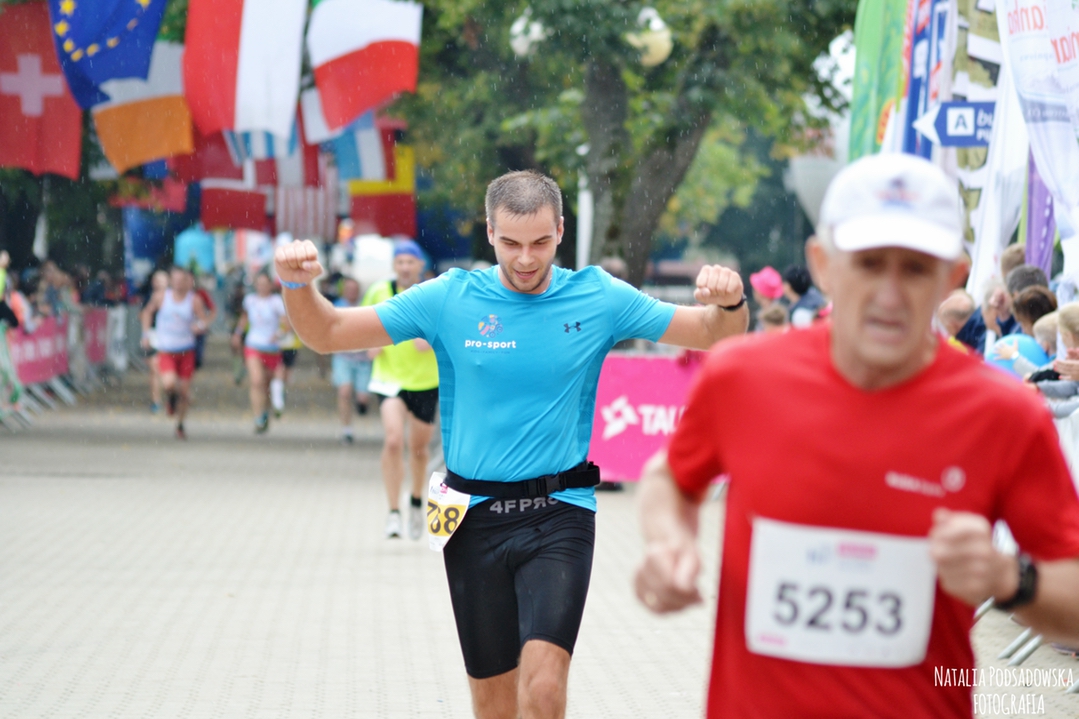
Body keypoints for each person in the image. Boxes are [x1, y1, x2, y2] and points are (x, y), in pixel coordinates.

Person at [275, 169, 749, 719]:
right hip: (471, 518)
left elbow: (714, 333)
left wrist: (730, 303)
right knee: (495, 707)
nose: (526, 259)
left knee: (543, 689)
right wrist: (296, 285)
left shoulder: (597, 296)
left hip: (560, 513)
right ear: (490, 232)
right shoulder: (450, 298)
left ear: (561, 231)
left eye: (541, 242)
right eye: (511, 243)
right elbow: (328, 332)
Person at [635, 153, 1079, 719]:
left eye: (915, 269)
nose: (889, 293)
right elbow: (670, 477)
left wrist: (1009, 578)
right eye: (868, 264)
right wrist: (668, 541)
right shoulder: (742, 377)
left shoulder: (1004, 414)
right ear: (823, 265)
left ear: (952, 277)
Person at [361, 240, 440, 540]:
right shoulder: (379, 291)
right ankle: (394, 512)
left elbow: (448, 330)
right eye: (400, 262)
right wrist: (369, 343)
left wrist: (431, 338)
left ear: (420, 266)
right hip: (388, 378)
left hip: (424, 381)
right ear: (394, 266)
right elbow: (364, 322)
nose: (405, 267)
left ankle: (416, 500)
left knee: (418, 450)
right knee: (394, 440)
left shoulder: (432, 294)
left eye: (410, 262)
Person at [139, 267, 211, 439]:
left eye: (181, 280)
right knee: (169, 384)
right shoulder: (161, 297)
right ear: (171, 281)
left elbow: (204, 321)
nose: (178, 284)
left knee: (184, 391)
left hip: (186, 350)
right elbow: (147, 313)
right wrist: (146, 334)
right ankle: (171, 399)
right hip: (166, 350)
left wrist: (199, 327)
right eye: (175, 280)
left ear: (187, 281)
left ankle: (180, 424)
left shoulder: (194, 300)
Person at [232, 272, 288, 433]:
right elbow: (244, 318)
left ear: (270, 285)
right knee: (257, 381)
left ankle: (266, 411)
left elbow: (286, 322)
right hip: (254, 346)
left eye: (265, 284)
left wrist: (278, 334)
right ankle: (257, 416)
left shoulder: (276, 302)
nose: (262, 287)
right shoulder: (250, 300)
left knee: (267, 385)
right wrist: (237, 334)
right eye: (260, 284)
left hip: (271, 348)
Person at [330, 277, 373, 444]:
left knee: (363, 397)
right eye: (348, 289)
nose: (352, 292)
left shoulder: (366, 305)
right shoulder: (337, 307)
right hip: (343, 357)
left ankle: (362, 403)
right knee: (344, 392)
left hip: (362, 359)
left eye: (355, 289)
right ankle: (346, 430)